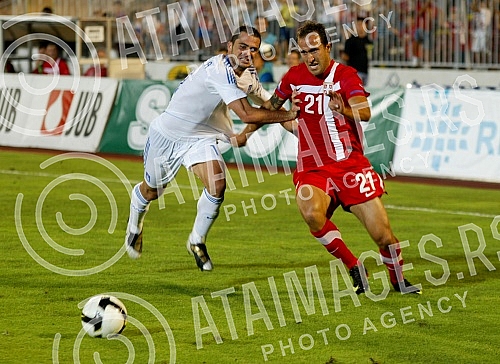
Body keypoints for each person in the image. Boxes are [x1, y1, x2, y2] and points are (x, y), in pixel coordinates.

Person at [254, 20, 421, 294]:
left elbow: (365, 112)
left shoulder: (346, 75)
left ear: (327, 47)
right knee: (311, 213)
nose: (310, 57)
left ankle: (397, 280)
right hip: (313, 168)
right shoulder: (293, 78)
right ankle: (354, 265)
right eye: (304, 52)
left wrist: (343, 108)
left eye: (314, 50)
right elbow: (271, 108)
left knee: (383, 236)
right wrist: (246, 130)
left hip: (350, 166)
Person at [124, 26, 297, 271]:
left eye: (254, 49)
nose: (248, 54)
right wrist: (289, 113)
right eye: (243, 47)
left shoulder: (248, 75)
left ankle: (196, 240)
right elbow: (249, 114)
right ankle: (134, 226)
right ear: (230, 47)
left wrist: (302, 129)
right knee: (151, 192)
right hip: (168, 135)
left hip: (201, 137)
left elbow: (269, 107)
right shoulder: (219, 71)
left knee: (217, 185)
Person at [341, 16, 372, 86]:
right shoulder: (350, 41)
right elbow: (345, 56)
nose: (359, 27)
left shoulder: (369, 41)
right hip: (354, 72)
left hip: (366, 72)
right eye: (358, 25)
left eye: (361, 24)